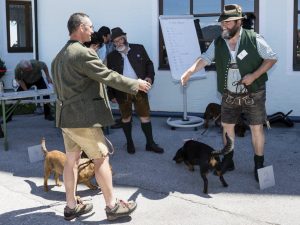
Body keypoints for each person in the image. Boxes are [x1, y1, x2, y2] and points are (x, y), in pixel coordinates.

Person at [51, 12, 151, 221]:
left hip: (66, 118)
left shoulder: (59, 56)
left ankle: (71, 207)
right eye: (90, 27)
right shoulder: (82, 53)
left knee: (72, 161)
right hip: (83, 118)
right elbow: (107, 75)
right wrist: (136, 84)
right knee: (101, 158)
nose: (93, 31)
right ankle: (112, 206)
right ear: (80, 28)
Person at [181, 4, 277, 182]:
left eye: (228, 22)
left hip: (254, 92)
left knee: (256, 128)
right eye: (222, 23)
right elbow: (204, 58)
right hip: (229, 93)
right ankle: (229, 160)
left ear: (239, 22)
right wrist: (189, 71)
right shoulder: (218, 42)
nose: (223, 26)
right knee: (227, 127)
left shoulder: (254, 38)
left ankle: (258, 164)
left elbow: (272, 58)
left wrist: (254, 75)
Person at [107, 27, 164, 154]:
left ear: (125, 37)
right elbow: (109, 77)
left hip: (140, 88)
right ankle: (130, 143)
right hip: (122, 90)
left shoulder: (139, 48)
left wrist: (149, 77)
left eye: (120, 40)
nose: (118, 43)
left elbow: (149, 64)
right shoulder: (112, 57)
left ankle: (150, 143)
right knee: (125, 118)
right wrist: (111, 94)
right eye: (115, 42)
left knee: (145, 116)